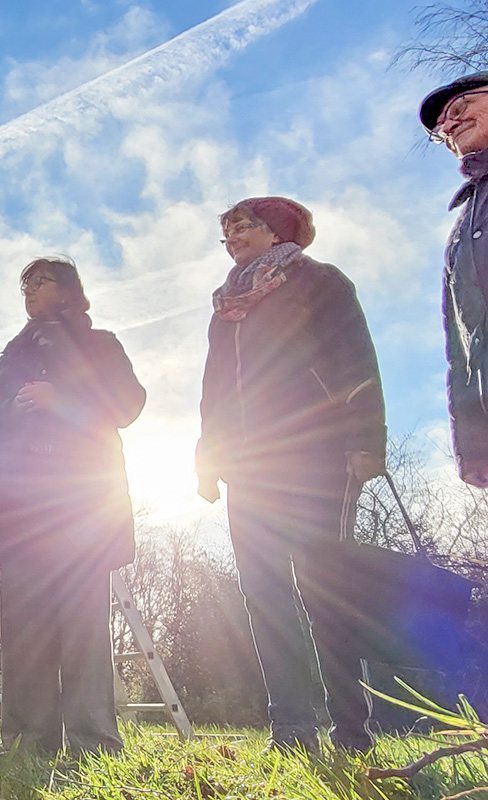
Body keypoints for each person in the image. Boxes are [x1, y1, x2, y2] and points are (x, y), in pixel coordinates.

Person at [196, 197, 386, 753]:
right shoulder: (227, 306)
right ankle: (292, 730)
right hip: (248, 468)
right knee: (265, 594)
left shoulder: (320, 282)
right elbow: (214, 389)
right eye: (226, 232)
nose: (232, 237)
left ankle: (353, 729)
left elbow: (357, 359)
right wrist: (208, 456)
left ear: (278, 230)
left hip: (315, 456)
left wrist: (367, 441)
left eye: (243, 226)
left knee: (326, 593)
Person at [0, 257, 145, 757]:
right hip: (20, 509)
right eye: (24, 284)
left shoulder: (101, 343)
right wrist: (14, 406)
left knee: (85, 629)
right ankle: (27, 744)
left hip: (84, 508)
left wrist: (60, 397)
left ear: (69, 290)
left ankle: (95, 744)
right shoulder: (14, 350)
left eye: (41, 281)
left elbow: (129, 404)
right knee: (25, 631)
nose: (29, 291)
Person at [421, 73, 488, 488]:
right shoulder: (461, 231)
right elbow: (462, 346)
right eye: (441, 127)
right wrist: (474, 444)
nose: (449, 126)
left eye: (460, 109)